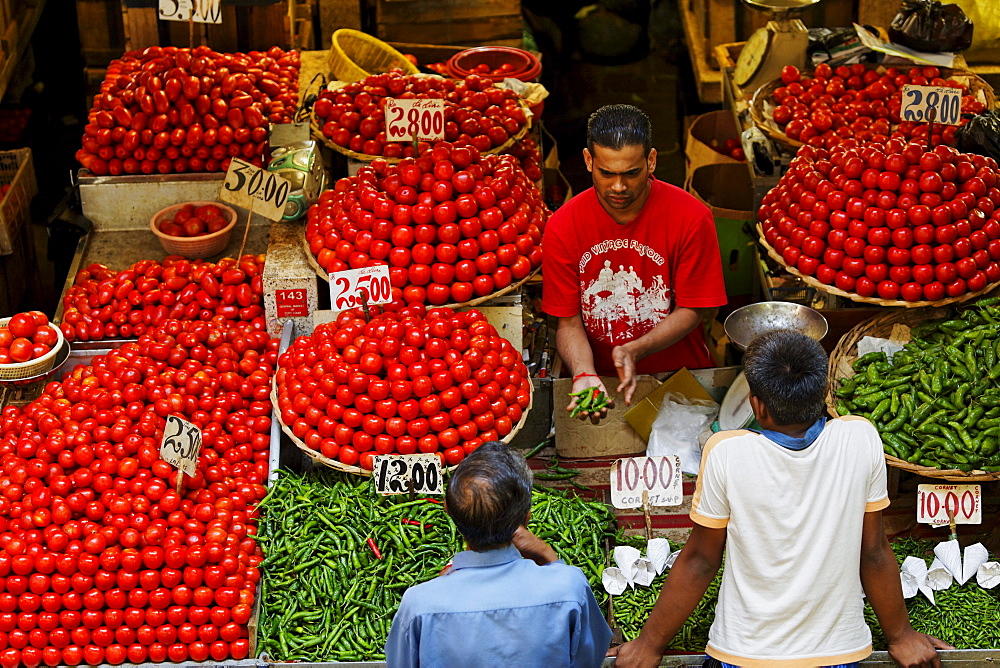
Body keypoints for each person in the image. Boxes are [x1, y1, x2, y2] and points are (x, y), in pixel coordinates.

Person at [609, 330, 952, 668]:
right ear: (826, 393)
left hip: (744, 656)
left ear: (756, 406)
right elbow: (874, 552)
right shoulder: (860, 436)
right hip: (838, 655)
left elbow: (700, 560)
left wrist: (649, 644)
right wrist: (900, 634)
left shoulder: (726, 451)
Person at [542, 104, 727, 423]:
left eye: (631, 173)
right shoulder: (562, 226)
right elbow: (569, 324)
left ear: (651, 160)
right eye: (607, 173)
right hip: (604, 388)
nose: (618, 187)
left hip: (681, 382)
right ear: (589, 161)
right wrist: (584, 374)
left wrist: (635, 349)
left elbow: (694, 309)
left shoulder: (692, 218)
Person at [384, 441, 612, 668]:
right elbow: (590, 658)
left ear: (448, 511)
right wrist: (548, 556)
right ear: (526, 519)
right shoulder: (569, 587)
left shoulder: (419, 604)